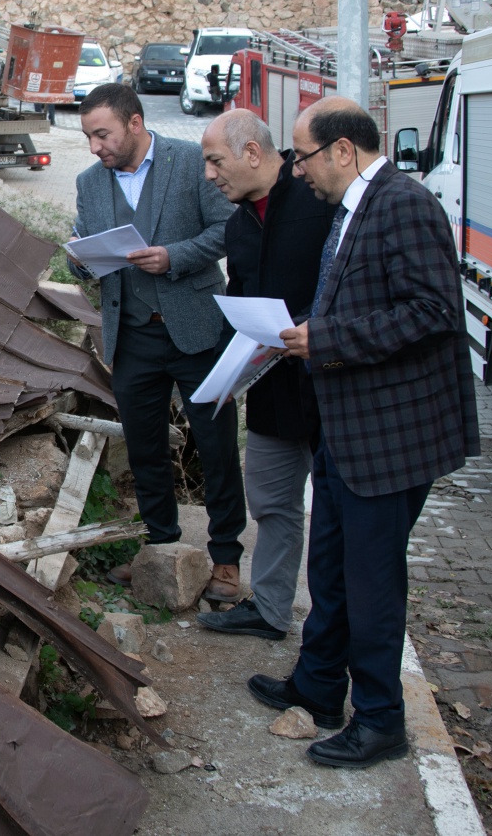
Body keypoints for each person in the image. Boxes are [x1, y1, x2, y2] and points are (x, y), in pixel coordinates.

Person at [248, 96, 478, 769]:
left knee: (372, 583)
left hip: (390, 437)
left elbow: (432, 311)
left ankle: (378, 719)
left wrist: (328, 337)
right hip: (347, 430)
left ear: (342, 150)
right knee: (332, 567)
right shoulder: (353, 207)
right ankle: (318, 686)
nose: (296, 172)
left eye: (303, 157)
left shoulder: (404, 203)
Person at [69, 83, 245, 602]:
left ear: (136, 123)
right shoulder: (88, 182)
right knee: (144, 447)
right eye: (89, 137)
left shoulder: (193, 162)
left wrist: (175, 255)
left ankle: (227, 559)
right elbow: (84, 252)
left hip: (197, 328)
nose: (95, 146)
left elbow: (230, 228)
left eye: (102, 134)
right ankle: (159, 544)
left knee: (215, 449)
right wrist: (81, 260)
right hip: (132, 336)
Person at [197, 109, 334, 641]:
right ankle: (272, 610)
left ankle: (330, 622)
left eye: (215, 161)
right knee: (274, 505)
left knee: (335, 516)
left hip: (328, 387)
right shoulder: (237, 224)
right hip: (272, 391)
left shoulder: (321, 205)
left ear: (252, 152)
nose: (210, 175)